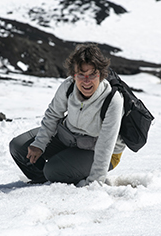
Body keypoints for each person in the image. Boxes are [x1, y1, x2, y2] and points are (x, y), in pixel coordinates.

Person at [9, 44, 126, 186]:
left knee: (53, 170)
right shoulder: (68, 86)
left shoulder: (113, 100)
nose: (86, 81)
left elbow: (106, 144)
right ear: (74, 75)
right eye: (81, 75)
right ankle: (44, 181)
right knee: (18, 147)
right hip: (69, 138)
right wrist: (39, 144)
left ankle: (56, 176)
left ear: (100, 74)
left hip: (98, 151)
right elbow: (52, 115)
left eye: (92, 74)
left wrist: (95, 182)